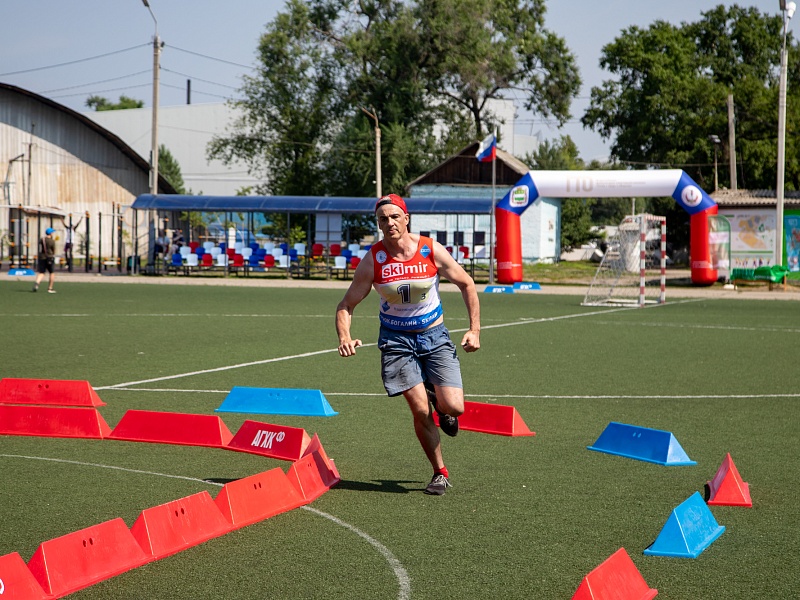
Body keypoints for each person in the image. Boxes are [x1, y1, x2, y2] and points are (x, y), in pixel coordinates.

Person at [336, 193, 481, 496]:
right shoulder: (373, 260)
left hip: (434, 335)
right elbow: (346, 304)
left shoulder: (429, 249)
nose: (389, 222)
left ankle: (440, 402)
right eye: (383, 219)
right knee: (419, 409)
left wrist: (474, 330)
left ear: (406, 218)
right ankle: (439, 472)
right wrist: (345, 337)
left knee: (455, 407)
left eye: (394, 217)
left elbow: (466, 283)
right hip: (396, 341)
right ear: (378, 224)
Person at [33, 227, 57, 293]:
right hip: (49, 257)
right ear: (51, 233)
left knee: (41, 272)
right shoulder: (52, 241)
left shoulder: (42, 239)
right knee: (51, 273)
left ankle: (37, 283)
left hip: (42, 257)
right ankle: (50, 288)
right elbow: (53, 250)